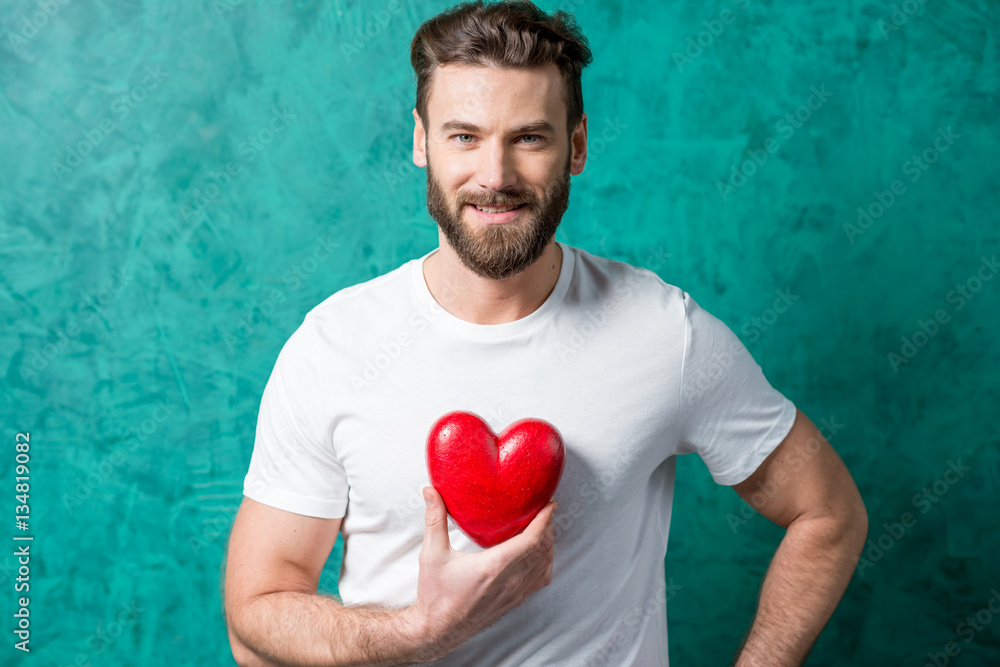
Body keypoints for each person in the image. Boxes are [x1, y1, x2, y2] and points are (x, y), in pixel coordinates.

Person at [223, 1, 869, 665]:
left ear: (577, 145)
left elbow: (828, 513)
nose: (495, 176)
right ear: (420, 141)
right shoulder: (334, 345)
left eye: (528, 137)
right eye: (464, 136)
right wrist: (415, 632)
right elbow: (257, 617)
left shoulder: (664, 333)